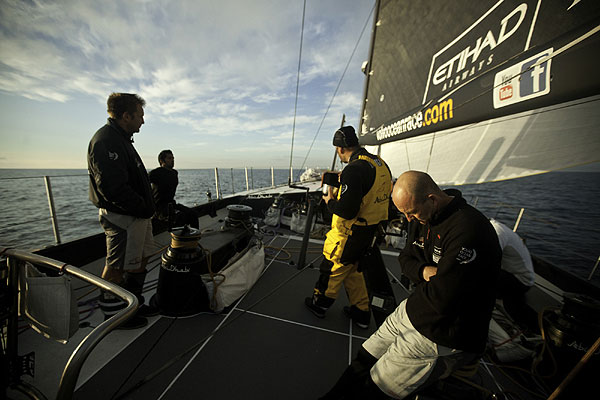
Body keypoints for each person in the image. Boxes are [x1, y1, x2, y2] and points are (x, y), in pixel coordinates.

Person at [320, 171, 501, 399]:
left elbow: (443, 300)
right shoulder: (422, 216)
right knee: (364, 359)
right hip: (413, 310)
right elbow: (405, 260)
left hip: (442, 332)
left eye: (411, 213)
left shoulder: (469, 230)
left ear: (432, 199)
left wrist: (430, 278)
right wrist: (425, 271)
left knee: (376, 387)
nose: (407, 220)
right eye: (404, 214)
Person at [304, 125, 392, 329]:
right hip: (369, 232)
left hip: (348, 234)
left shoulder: (353, 169)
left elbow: (346, 211)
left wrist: (329, 201)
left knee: (332, 270)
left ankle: (320, 305)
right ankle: (361, 312)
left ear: (340, 149)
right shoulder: (379, 163)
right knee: (354, 271)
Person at [88, 92, 158, 329]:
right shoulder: (106, 141)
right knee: (117, 265)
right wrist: (142, 207)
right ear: (126, 116)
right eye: (140, 115)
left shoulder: (122, 139)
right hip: (124, 218)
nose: (143, 121)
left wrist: (146, 209)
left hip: (139, 216)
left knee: (141, 257)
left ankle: (132, 304)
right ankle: (113, 316)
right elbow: (112, 188)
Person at [489, 218, 536, 328]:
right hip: (511, 273)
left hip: (521, 280)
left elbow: (489, 259)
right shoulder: (493, 227)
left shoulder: (497, 231)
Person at [148, 149, 199, 231]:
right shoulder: (156, 173)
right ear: (162, 161)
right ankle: (178, 241)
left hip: (171, 204)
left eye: (173, 158)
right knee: (180, 217)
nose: (172, 160)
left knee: (193, 214)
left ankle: (193, 239)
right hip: (160, 208)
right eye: (169, 158)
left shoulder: (174, 173)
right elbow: (143, 182)